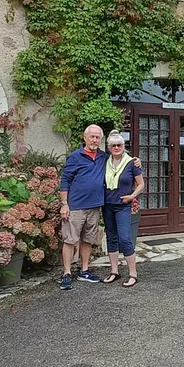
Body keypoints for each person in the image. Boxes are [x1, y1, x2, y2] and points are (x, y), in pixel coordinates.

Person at [58, 124, 140, 291]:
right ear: (85, 137)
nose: (94, 140)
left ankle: (84, 270)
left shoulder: (104, 157)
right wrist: (64, 204)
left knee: (88, 239)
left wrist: (136, 160)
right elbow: (65, 180)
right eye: (92, 136)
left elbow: (121, 158)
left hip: (96, 206)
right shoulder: (75, 157)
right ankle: (66, 273)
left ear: (101, 140)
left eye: (97, 137)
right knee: (70, 239)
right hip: (75, 206)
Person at [101, 130, 144, 288]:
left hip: (123, 206)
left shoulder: (132, 162)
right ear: (109, 147)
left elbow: (141, 184)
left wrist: (132, 196)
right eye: (113, 145)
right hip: (107, 205)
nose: (116, 147)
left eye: (119, 145)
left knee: (125, 238)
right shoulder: (105, 161)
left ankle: (133, 273)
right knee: (111, 237)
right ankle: (114, 271)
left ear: (124, 146)